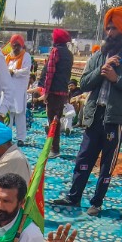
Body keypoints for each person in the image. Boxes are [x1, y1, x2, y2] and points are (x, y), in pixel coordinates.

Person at [50, 6, 122, 217]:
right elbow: (84, 83)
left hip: (115, 118)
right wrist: (102, 71)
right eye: (108, 28)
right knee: (83, 158)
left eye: (114, 29)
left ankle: (97, 202)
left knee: (106, 164)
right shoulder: (98, 55)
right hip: (94, 115)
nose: (109, 33)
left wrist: (116, 78)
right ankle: (74, 197)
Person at [38, 28, 73, 157]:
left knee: (52, 121)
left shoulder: (55, 52)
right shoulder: (69, 54)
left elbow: (50, 73)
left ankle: (53, 149)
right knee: (57, 120)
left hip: (53, 92)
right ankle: (54, 147)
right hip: (63, 91)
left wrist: (46, 92)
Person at [5, 34, 32, 146]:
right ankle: (7, 137)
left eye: (18, 46)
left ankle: (21, 138)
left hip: (19, 91)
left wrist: (13, 72)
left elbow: (26, 71)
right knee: (8, 115)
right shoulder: (7, 57)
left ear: (21, 45)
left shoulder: (26, 56)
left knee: (20, 115)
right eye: (14, 45)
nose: (15, 48)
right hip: (8, 91)